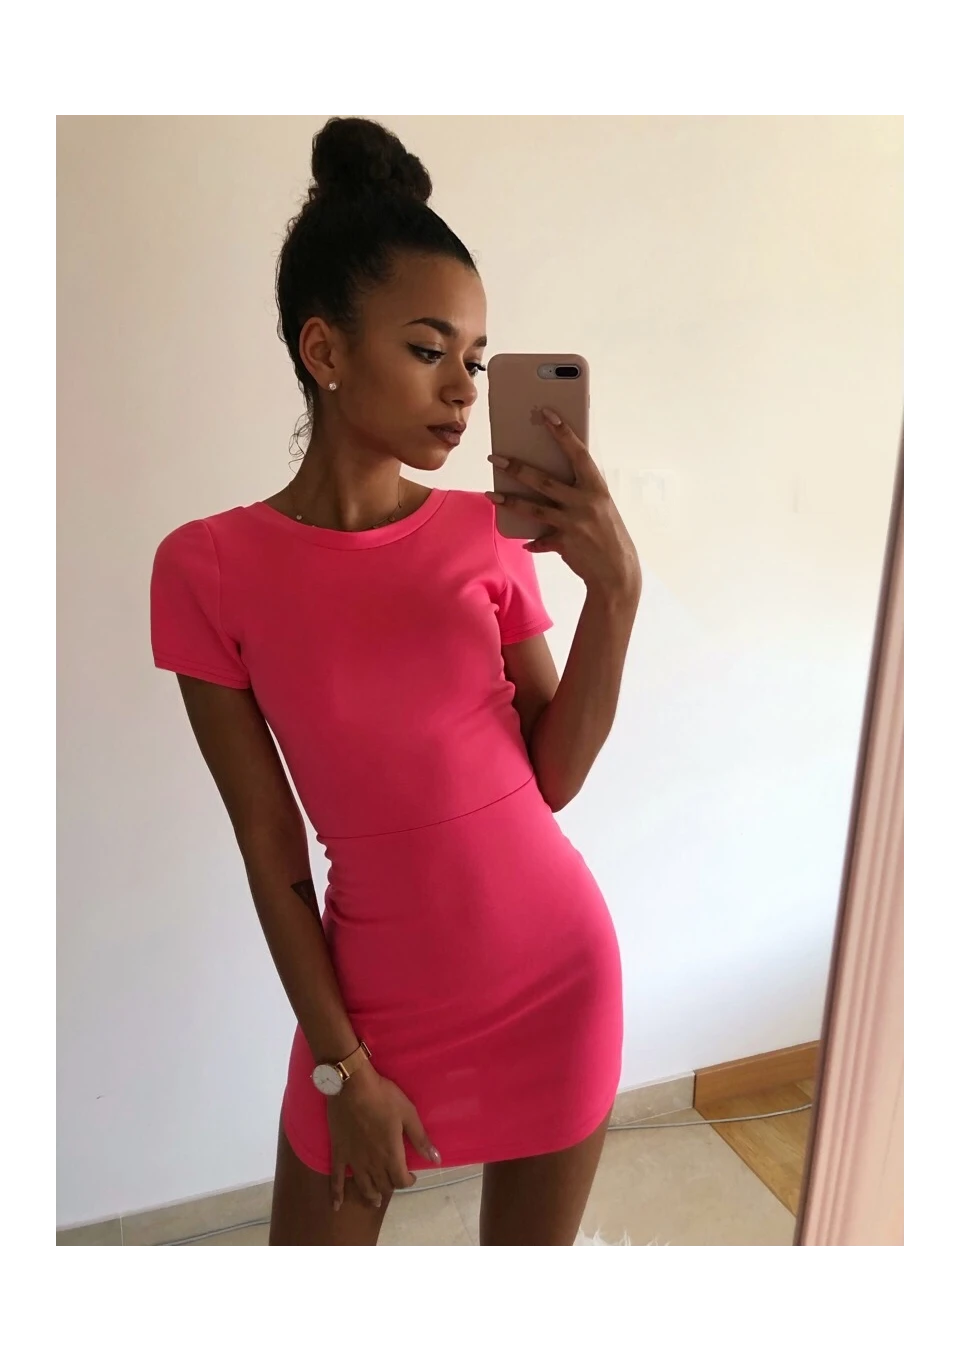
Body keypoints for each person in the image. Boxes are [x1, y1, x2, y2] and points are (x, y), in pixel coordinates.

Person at [150, 117, 642, 1248]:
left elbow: (553, 777)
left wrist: (617, 597)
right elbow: (270, 848)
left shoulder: (484, 533)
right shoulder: (206, 568)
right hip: (369, 1013)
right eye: (429, 350)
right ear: (324, 350)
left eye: (476, 359)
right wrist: (342, 1070)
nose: (464, 389)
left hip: (556, 977)